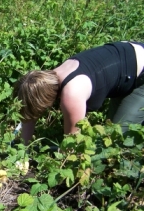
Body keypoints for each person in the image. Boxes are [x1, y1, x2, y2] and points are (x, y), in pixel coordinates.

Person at [13, 41, 144, 145]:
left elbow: (73, 142)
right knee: (111, 129)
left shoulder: (72, 94)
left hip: (139, 71)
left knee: (119, 138)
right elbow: (30, 114)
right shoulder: (46, 80)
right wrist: (23, 150)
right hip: (126, 54)